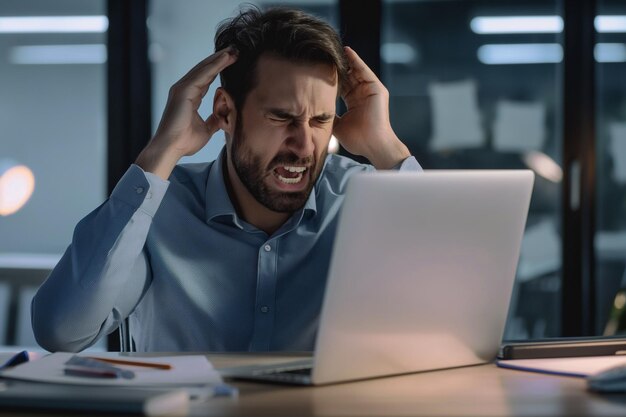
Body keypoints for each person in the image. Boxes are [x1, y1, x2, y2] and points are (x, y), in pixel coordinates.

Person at [31, 6, 421, 352]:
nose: (304, 145)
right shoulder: (157, 211)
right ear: (226, 112)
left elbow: (467, 325)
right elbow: (62, 331)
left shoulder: (366, 200)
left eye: (320, 120)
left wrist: (388, 149)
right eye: (281, 117)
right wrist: (159, 154)